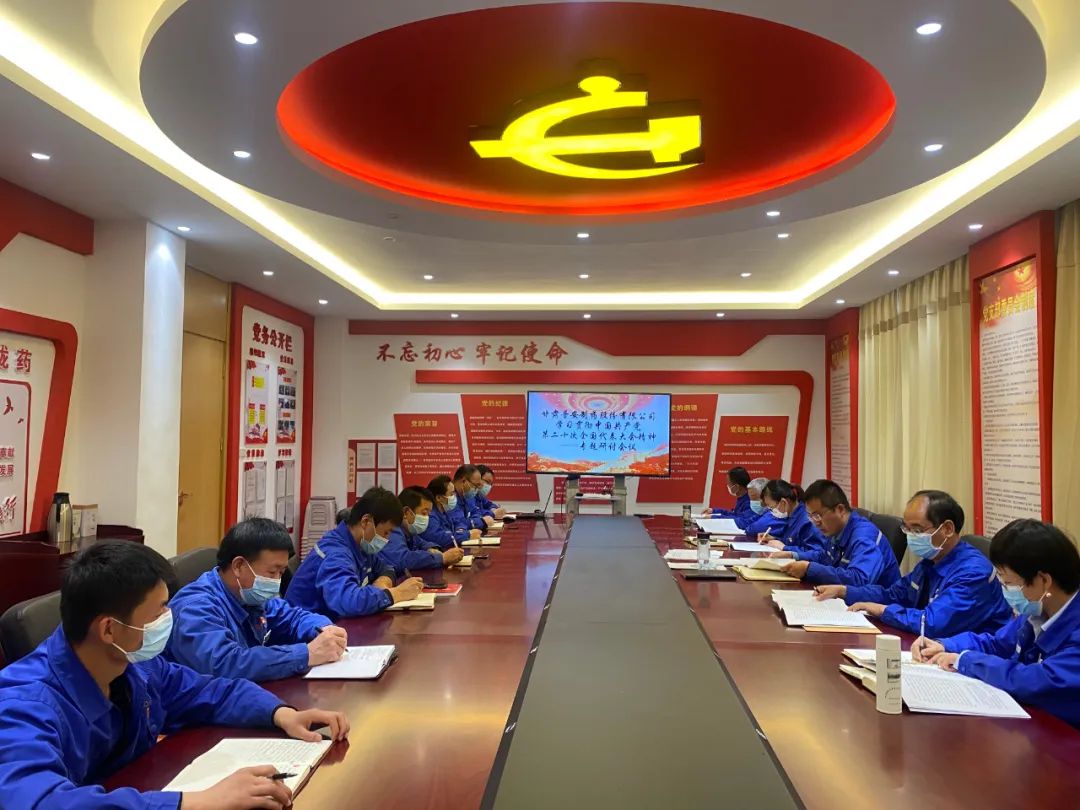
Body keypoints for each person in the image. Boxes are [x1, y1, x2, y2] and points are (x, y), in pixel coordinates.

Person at [0, 541, 348, 809]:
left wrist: (281, 714)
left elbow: (209, 692)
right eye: (158, 612)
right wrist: (195, 802)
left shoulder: (133, 664)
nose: (169, 618)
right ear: (109, 629)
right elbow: (42, 802)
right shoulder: (22, 705)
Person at [914, 519, 1080, 728]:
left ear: (1043, 581)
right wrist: (945, 645)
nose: (1005, 591)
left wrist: (965, 661)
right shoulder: (1038, 608)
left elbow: (1037, 680)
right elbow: (997, 643)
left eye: (1009, 584)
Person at [166, 518, 349, 681]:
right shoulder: (196, 608)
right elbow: (226, 664)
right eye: (272, 572)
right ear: (238, 566)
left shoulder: (250, 594)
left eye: (281, 573)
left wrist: (323, 629)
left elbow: (291, 617)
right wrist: (306, 654)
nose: (276, 581)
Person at [814, 491, 1012, 637]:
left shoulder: (973, 572)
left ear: (947, 529)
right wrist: (844, 592)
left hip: (970, 659)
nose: (911, 537)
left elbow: (932, 623)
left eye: (917, 530)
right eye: (907, 529)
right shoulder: (931, 561)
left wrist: (883, 610)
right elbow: (894, 594)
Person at [286, 486, 424, 619]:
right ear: (366, 521)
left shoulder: (360, 545)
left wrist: (384, 581)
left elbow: (386, 567)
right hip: (305, 630)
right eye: (386, 532)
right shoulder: (336, 553)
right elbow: (348, 601)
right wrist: (396, 593)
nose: (387, 539)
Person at [771, 479, 900, 587]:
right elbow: (823, 557)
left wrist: (809, 569)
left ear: (840, 510)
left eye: (817, 515)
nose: (816, 523)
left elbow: (859, 580)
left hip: (875, 606)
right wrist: (793, 555)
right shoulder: (836, 529)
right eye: (811, 516)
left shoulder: (864, 536)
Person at [379, 486, 465, 577]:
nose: (426, 518)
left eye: (428, 514)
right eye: (424, 513)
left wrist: (431, 548)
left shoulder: (409, 530)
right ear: (406, 512)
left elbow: (421, 542)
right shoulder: (392, 530)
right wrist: (442, 558)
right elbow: (404, 559)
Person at [756, 479, 821, 554]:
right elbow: (792, 541)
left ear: (783, 502)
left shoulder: (807, 520)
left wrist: (784, 547)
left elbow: (816, 553)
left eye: (772, 507)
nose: (771, 511)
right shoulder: (791, 517)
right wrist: (774, 538)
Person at [420, 474, 481, 550]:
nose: (454, 496)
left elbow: (458, 523)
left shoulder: (445, 511)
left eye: (454, 493)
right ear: (439, 497)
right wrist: (467, 534)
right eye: (451, 494)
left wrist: (460, 530)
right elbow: (440, 538)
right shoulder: (430, 516)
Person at [452, 464, 492, 530]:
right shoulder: (449, 498)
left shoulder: (466, 495)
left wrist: (477, 520)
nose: (476, 489)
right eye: (475, 485)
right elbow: (458, 522)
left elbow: (475, 512)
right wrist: (481, 522)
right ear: (463, 481)